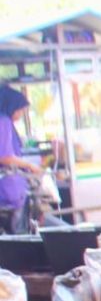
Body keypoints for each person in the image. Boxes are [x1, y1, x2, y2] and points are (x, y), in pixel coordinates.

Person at [0, 86, 41, 235]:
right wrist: (30, 165)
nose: (21, 114)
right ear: (12, 106)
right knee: (17, 235)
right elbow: (5, 156)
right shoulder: (3, 121)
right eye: (21, 110)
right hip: (8, 191)